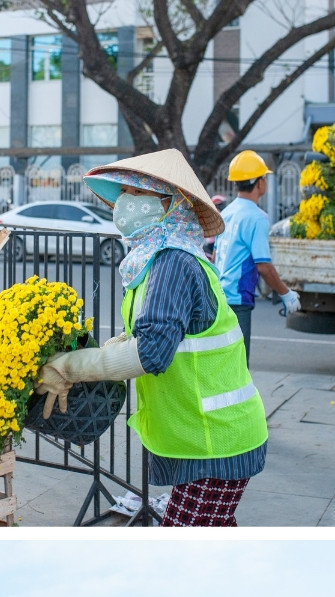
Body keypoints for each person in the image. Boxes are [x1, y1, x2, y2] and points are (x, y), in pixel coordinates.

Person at [37, 148, 269, 527]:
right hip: (204, 437)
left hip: (214, 442)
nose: (125, 202)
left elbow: (150, 353)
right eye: (125, 192)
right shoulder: (157, 261)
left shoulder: (173, 263)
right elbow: (147, 333)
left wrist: (70, 366)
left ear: (170, 204)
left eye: (138, 193)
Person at [213, 150, 301, 364]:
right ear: (259, 183)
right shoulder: (257, 217)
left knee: (223, 367)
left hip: (218, 299)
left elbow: (215, 255)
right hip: (238, 301)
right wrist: (286, 294)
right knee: (239, 369)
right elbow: (263, 266)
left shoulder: (226, 212)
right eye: (264, 177)